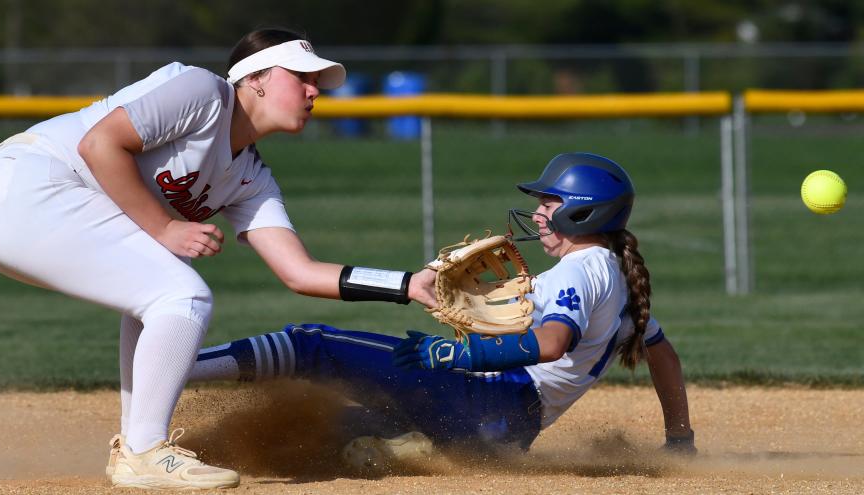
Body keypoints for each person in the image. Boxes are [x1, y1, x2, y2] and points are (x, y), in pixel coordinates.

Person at [0, 28, 436, 490]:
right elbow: (99, 144)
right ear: (255, 79)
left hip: (29, 214)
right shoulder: (202, 91)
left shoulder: (250, 176)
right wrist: (165, 227)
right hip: (26, 187)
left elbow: (300, 273)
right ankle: (144, 452)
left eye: (316, 83)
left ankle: (135, 445)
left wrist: (407, 284)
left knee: (162, 286)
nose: (314, 91)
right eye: (300, 77)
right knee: (182, 292)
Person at [189, 152, 697, 472]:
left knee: (310, 345)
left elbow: (551, 343)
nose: (539, 212)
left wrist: (453, 351)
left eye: (549, 201)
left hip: (485, 396)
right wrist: (680, 439)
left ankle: (174, 369)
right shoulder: (618, 279)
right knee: (321, 429)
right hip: (507, 431)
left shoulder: (579, 269)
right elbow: (664, 355)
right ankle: (410, 446)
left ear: (581, 211)